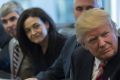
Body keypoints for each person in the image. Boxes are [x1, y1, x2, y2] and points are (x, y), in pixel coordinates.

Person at [25, 0, 101, 80]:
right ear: (73, 12)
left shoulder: (104, 43)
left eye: (89, 8)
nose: (84, 14)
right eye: (79, 9)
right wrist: (37, 79)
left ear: (101, 11)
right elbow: (55, 71)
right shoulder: (71, 41)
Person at [16, 7, 66, 79]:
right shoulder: (34, 48)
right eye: (28, 30)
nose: (33, 33)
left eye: (36, 26)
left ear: (46, 24)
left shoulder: (64, 44)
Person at [71, 8, 120, 80]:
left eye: (105, 34)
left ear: (115, 30)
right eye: (93, 40)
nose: (102, 44)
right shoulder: (79, 56)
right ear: (84, 45)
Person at [0, 1, 24, 79]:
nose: (9, 25)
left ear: (23, 17)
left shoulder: (35, 41)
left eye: (13, 19)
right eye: (4, 22)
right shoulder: (12, 43)